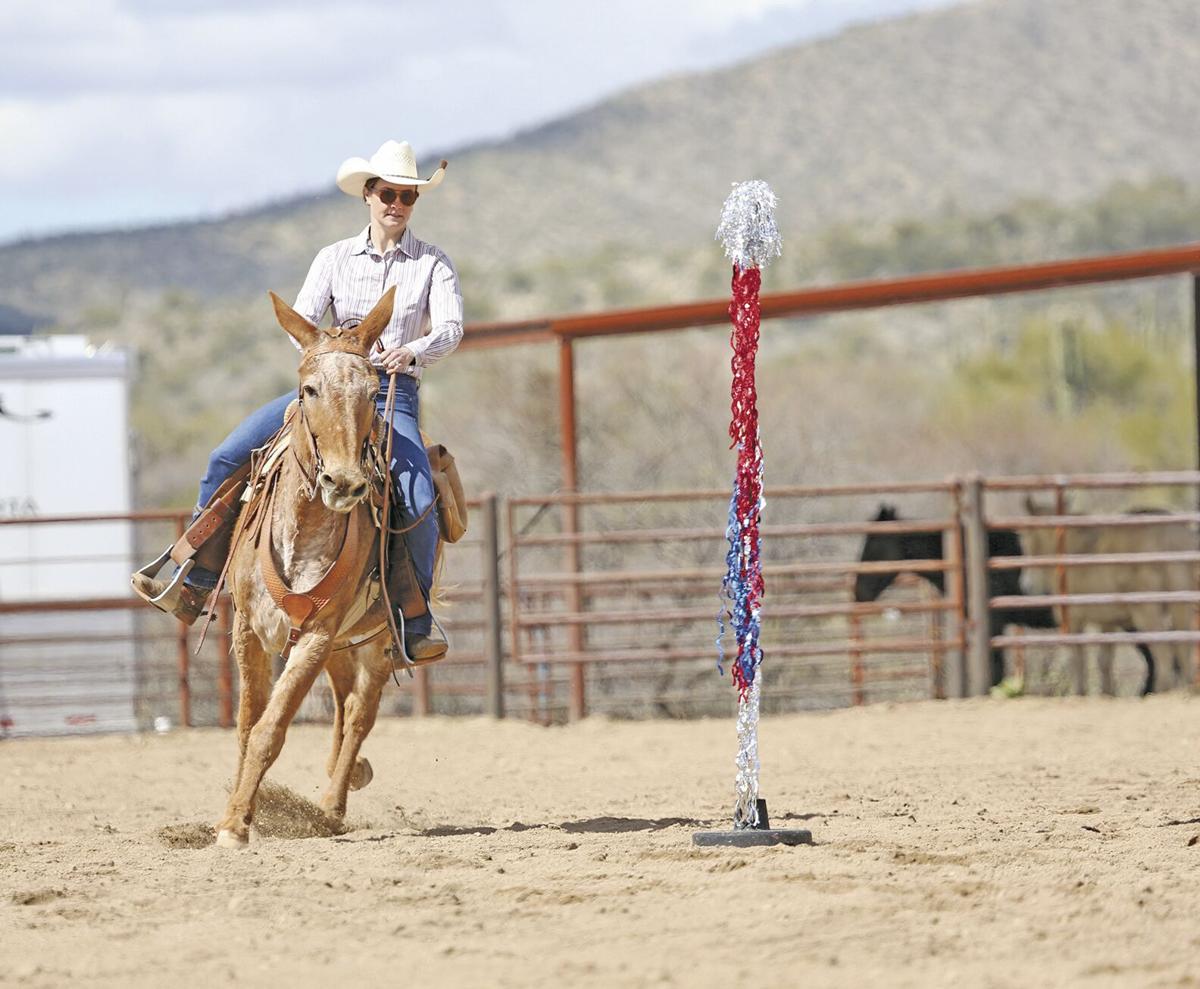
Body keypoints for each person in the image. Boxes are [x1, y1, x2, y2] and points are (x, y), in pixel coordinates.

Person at [133, 140, 462, 663]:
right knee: (226, 455)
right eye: (388, 194)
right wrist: (326, 356)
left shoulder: (432, 265)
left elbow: (450, 329)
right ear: (368, 196)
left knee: (418, 497)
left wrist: (410, 350)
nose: (396, 203)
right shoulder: (333, 258)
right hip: (324, 392)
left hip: (389, 395)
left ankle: (413, 617)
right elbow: (302, 322)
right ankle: (193, 576)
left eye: (407, 196)